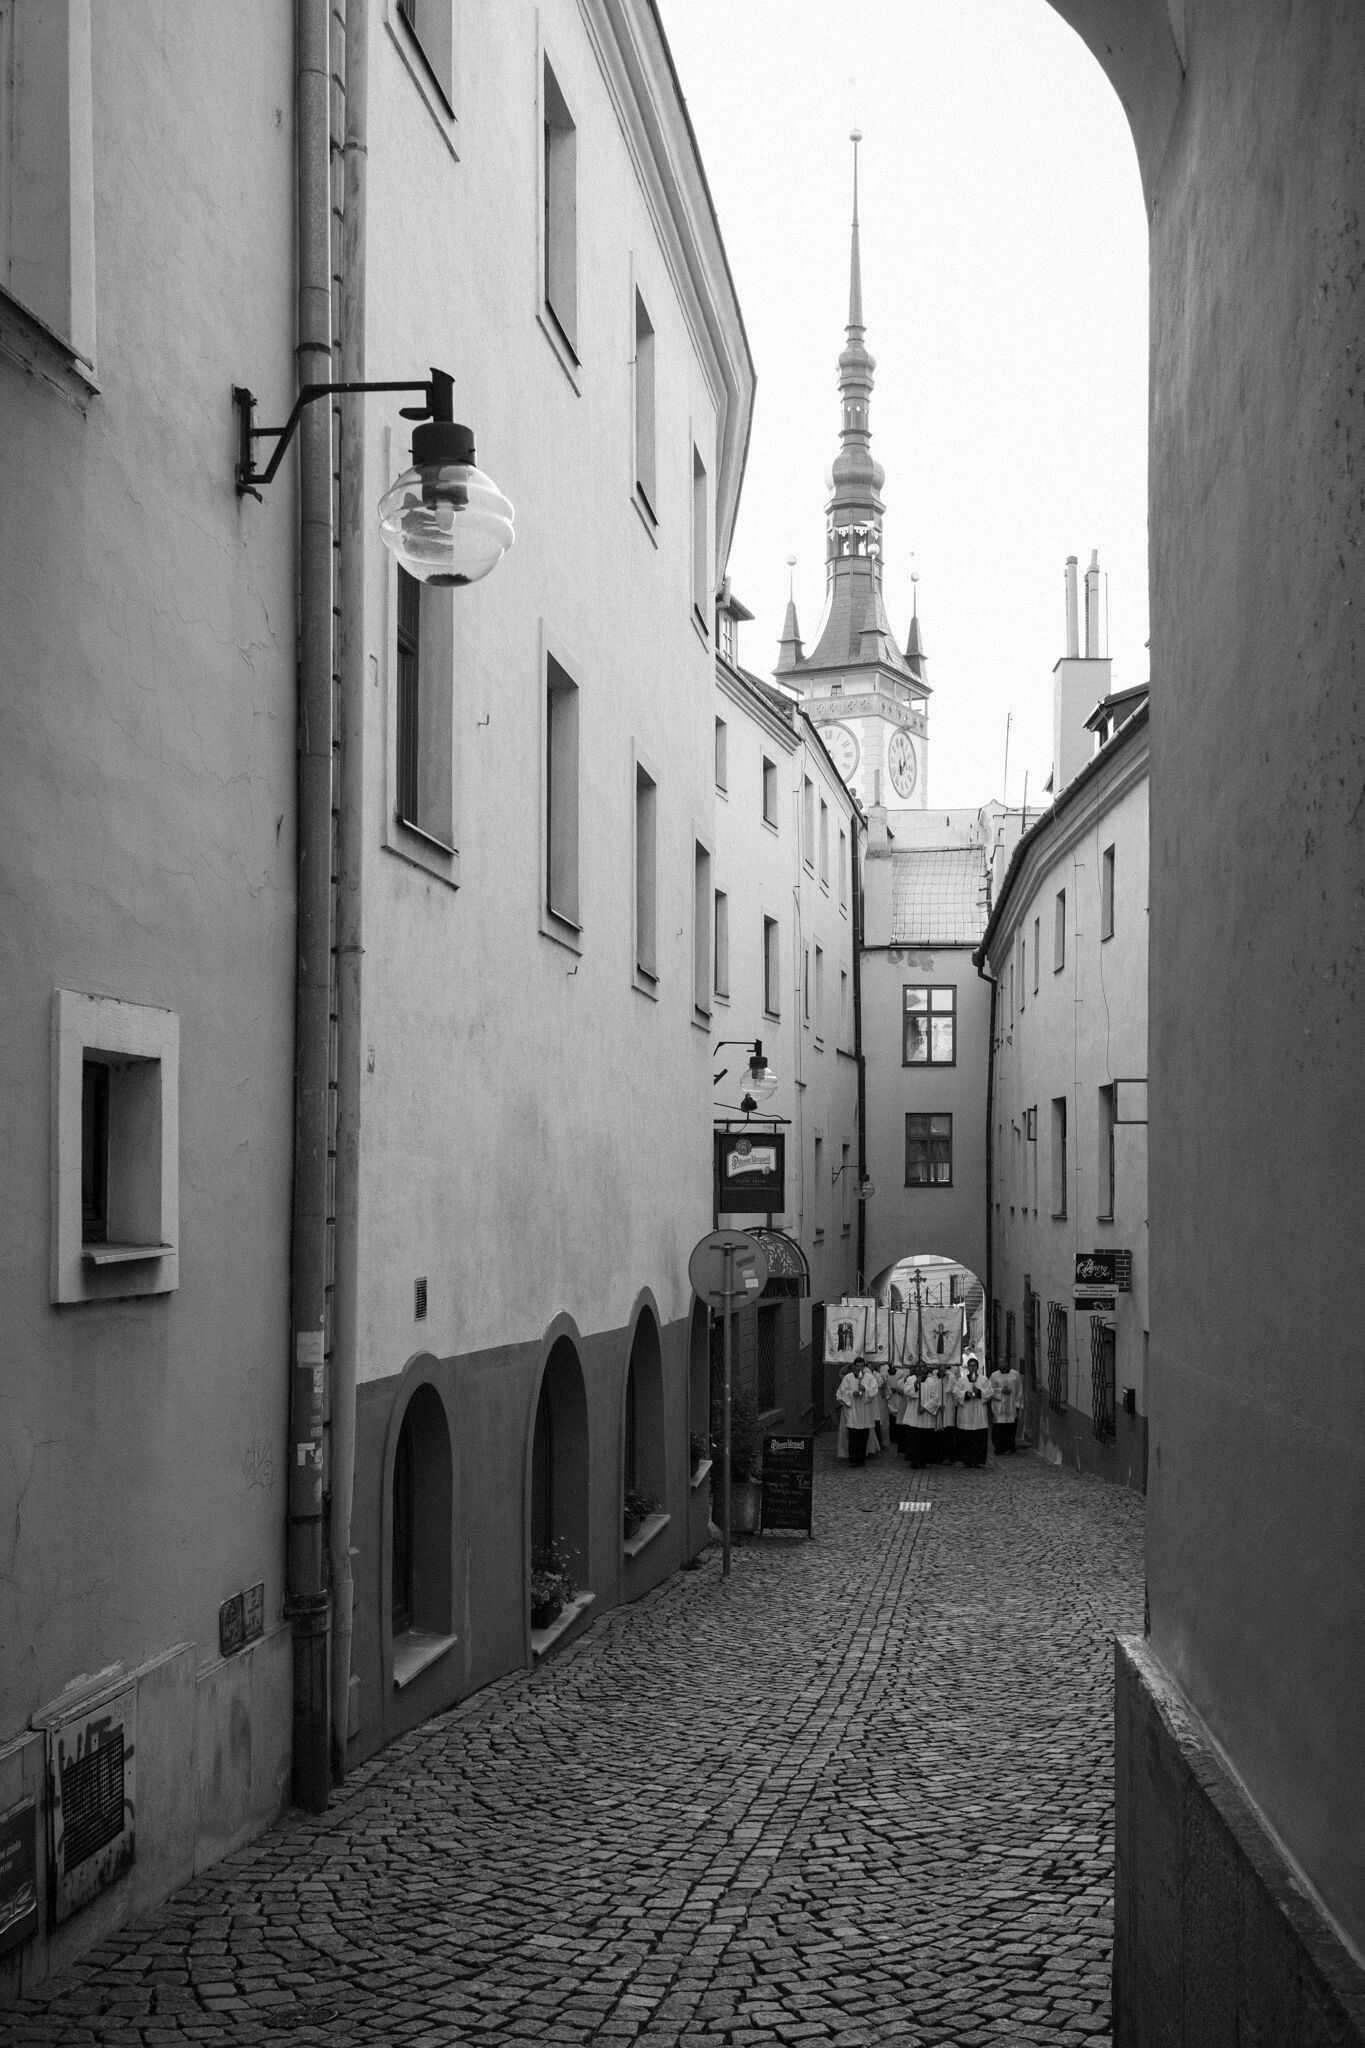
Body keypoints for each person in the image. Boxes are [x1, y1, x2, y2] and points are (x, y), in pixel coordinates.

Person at [836, 1354, 878, 1467]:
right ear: (854, 1366)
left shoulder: (869, 1378)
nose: (860, 1368)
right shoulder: (848, 1378)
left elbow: (874, 1391)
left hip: (865, 1411)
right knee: (853, 1437)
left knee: (863, 1437)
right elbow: (841, 1393)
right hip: (853, 1410)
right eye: (858, 1366)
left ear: (864, 1366)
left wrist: (865, 1389)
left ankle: (861, 1459)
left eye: (861, 1366)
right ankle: (853, 1458)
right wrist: (852, 1393)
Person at [956, 1353, 989, 1466]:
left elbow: (990, 1392)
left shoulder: (984, 1380)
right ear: (968, 1367)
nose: (972, 1368)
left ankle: (977, 1460)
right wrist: (966, 1394)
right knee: (966, 1438)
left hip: (979, 1413)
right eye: (970, 1366)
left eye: (974, 1366)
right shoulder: (962, 1380)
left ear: (977, 1367)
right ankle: (967, 1460)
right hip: (966, 1413)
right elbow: (956, 1393)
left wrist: (979, 1392)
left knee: (979, 1438)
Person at [988, 1355, 1022, 1454]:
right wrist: (1001, 1391)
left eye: (1003, 1362)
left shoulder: (1015, 1374)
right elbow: (989, 1390)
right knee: (999, 1429)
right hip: (999, 1407)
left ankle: (1009, 1446)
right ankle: (999, 1447)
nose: (1001, 1364)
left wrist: (1018, 1404)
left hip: (1011, 1406)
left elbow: (1019, 1390)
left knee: (1010, 1428)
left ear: (1008, 1363)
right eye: (999, 1363)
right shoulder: (994, 1376)